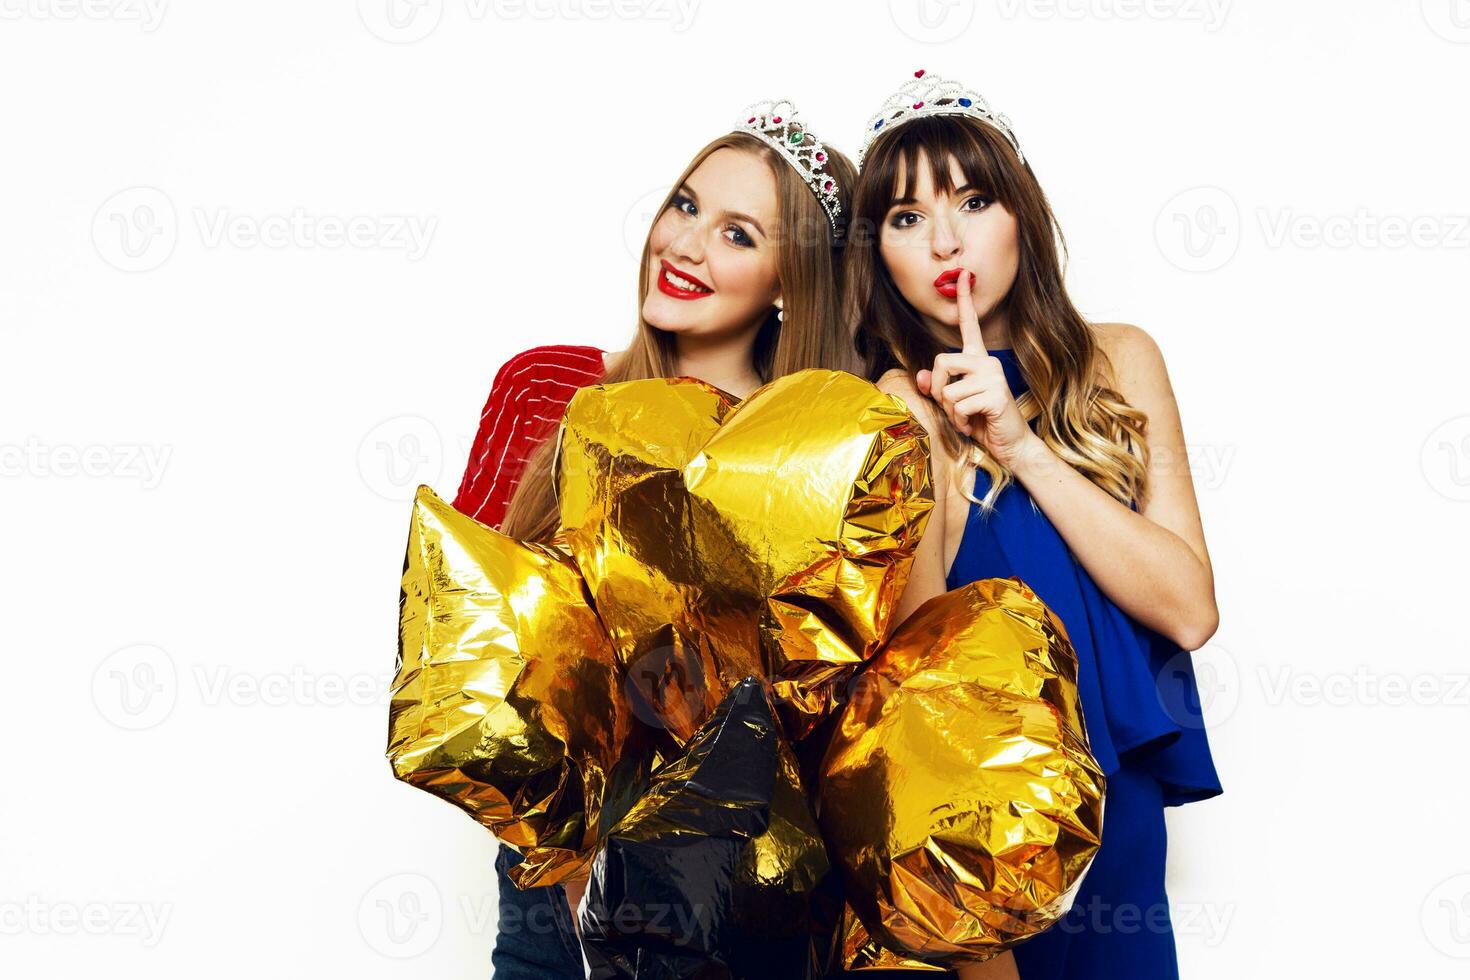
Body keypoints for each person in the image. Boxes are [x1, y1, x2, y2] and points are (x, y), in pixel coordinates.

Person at [448, 98, 857, 979]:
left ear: (792, 281)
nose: (688, 243)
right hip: (552, 886)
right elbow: (466, 650)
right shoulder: (547, 385)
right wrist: (572, 861)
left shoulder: (814, 454)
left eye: (739, 233)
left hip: (744, 895)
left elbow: (835, 700)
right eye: (685, 205)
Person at [845, 70, 1224, 980]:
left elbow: (1189, 610)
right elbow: (916, 673)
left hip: (1115, 803)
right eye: (905, 217)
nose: (945, 239)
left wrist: (1018, 442)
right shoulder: (887, 407)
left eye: (973, 200)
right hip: (971, 824)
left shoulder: (1120, 361)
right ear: (879, 254)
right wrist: (922, 432)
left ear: (1022, 212)